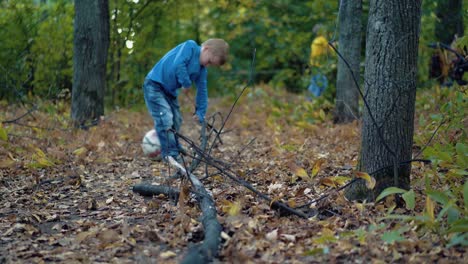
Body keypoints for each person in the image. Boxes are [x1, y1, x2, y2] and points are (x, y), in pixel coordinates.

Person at [143, 39, 229, 162]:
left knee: (177, 120)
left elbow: (202, 91)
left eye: (211, 64)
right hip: (154, 85)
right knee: (165, 118)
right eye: (209, 61)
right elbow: (179, 64)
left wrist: (200, 112)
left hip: (169, 92)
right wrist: (186, 83)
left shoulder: (201, 70)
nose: (207, 65)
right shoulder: (190, 47)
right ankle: (170, 154)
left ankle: (175, 147)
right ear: (206, 49)